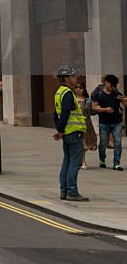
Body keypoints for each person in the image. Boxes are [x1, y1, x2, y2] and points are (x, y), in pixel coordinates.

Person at [53, 65, 89, 202]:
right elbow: (66, 113)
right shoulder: (68, 94)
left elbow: (55, 114)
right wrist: (61, 131)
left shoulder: (59, 92)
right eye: (73, 76)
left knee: (67, 162)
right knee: (75, 163)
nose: (75, 79)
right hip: (74, 133)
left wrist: (60, 130)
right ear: (66, 78)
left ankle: (64, 191)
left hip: (67, 133)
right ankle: (72, 192)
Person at [90, 74, 124, 171]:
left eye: (114, 85)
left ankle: (116, 163)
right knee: (103, 143)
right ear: (106, 83)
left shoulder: (116, 93)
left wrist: (124, 100)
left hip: (116, 122)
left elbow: (124, 103)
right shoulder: (99, 94)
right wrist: (105, 110)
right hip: (104, 122)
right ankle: (102, 159)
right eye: (111, 85)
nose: (113, 87)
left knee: (117, 142)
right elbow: (94, 107)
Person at [75, 81, 98, 169]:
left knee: (84, 144)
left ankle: (83, 161)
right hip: (75, 125)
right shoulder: (72, 99)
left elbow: (92, 112)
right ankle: (79, 161)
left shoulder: (87, 100)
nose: (78, 89)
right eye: (76, 87)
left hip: (86, 124)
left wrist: (95, 107)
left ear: (83, 89)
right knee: (77, 144)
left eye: (80, 87)